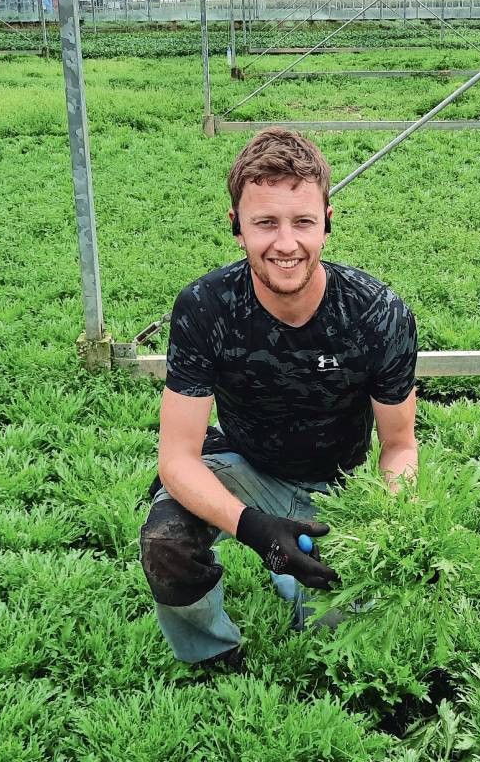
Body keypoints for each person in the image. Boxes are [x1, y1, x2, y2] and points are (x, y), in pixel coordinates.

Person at [139, 127, 419, 672]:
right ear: (236, 227)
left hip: (340, 485)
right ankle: (213, 655)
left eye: (303, 222)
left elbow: (399, 447)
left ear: (328, 223)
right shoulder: (205, 307)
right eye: (265, 222)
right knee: (165, 540)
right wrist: (254, 528)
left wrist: (386, 521)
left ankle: (298, 569)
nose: (285, 243)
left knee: (335, 625)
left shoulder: (378, 314)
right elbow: (176, 458)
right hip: (247, 465)